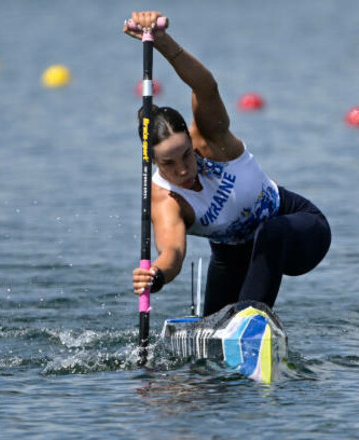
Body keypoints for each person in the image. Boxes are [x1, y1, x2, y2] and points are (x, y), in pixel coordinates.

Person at [125, 11, 331, 316]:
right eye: (169, 163)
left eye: (186, 154)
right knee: (213, 330)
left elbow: (205, 86)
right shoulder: (164, 198)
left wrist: (163, 42)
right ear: (152, 161)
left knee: (270, 234)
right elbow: (173, 253)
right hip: (230, 258)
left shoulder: (211, 139)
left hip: (297, 229)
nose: (182, 168)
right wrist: (155, 275)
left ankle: (251, 322)